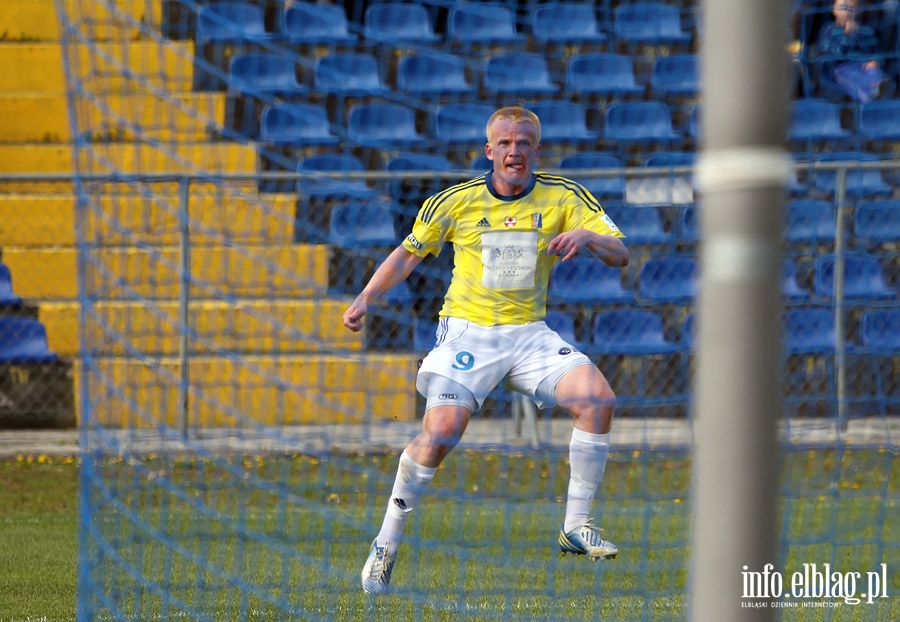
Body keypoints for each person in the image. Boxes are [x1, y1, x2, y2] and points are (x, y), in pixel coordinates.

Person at [342, 106, 629, 595]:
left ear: (536, 150)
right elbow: (408, 255)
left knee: (598, 400)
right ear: (488, 150)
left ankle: (576, 526)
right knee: (442, 435)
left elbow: (620, 253)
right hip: (468, 333)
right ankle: (385, 544)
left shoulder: (564, 196)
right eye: (505, 143)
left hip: (529, 332)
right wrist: (366, 297)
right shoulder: (454, 202)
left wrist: (588, 236)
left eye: (523, 143)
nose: (514, 151)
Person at [813, 0, 886, 102]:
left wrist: (874, 61)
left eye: (851, 8)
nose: (846, 12)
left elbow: (875, 50)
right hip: (841, 67)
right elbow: (830, 54)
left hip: (863, 65)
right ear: (833, 9)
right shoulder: (828, 30)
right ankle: (871, 93)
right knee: (854, 77)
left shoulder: (866, 31)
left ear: (858, 11)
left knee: (876, 73)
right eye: (842, 8)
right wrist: (846, 37)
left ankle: (879, 87)